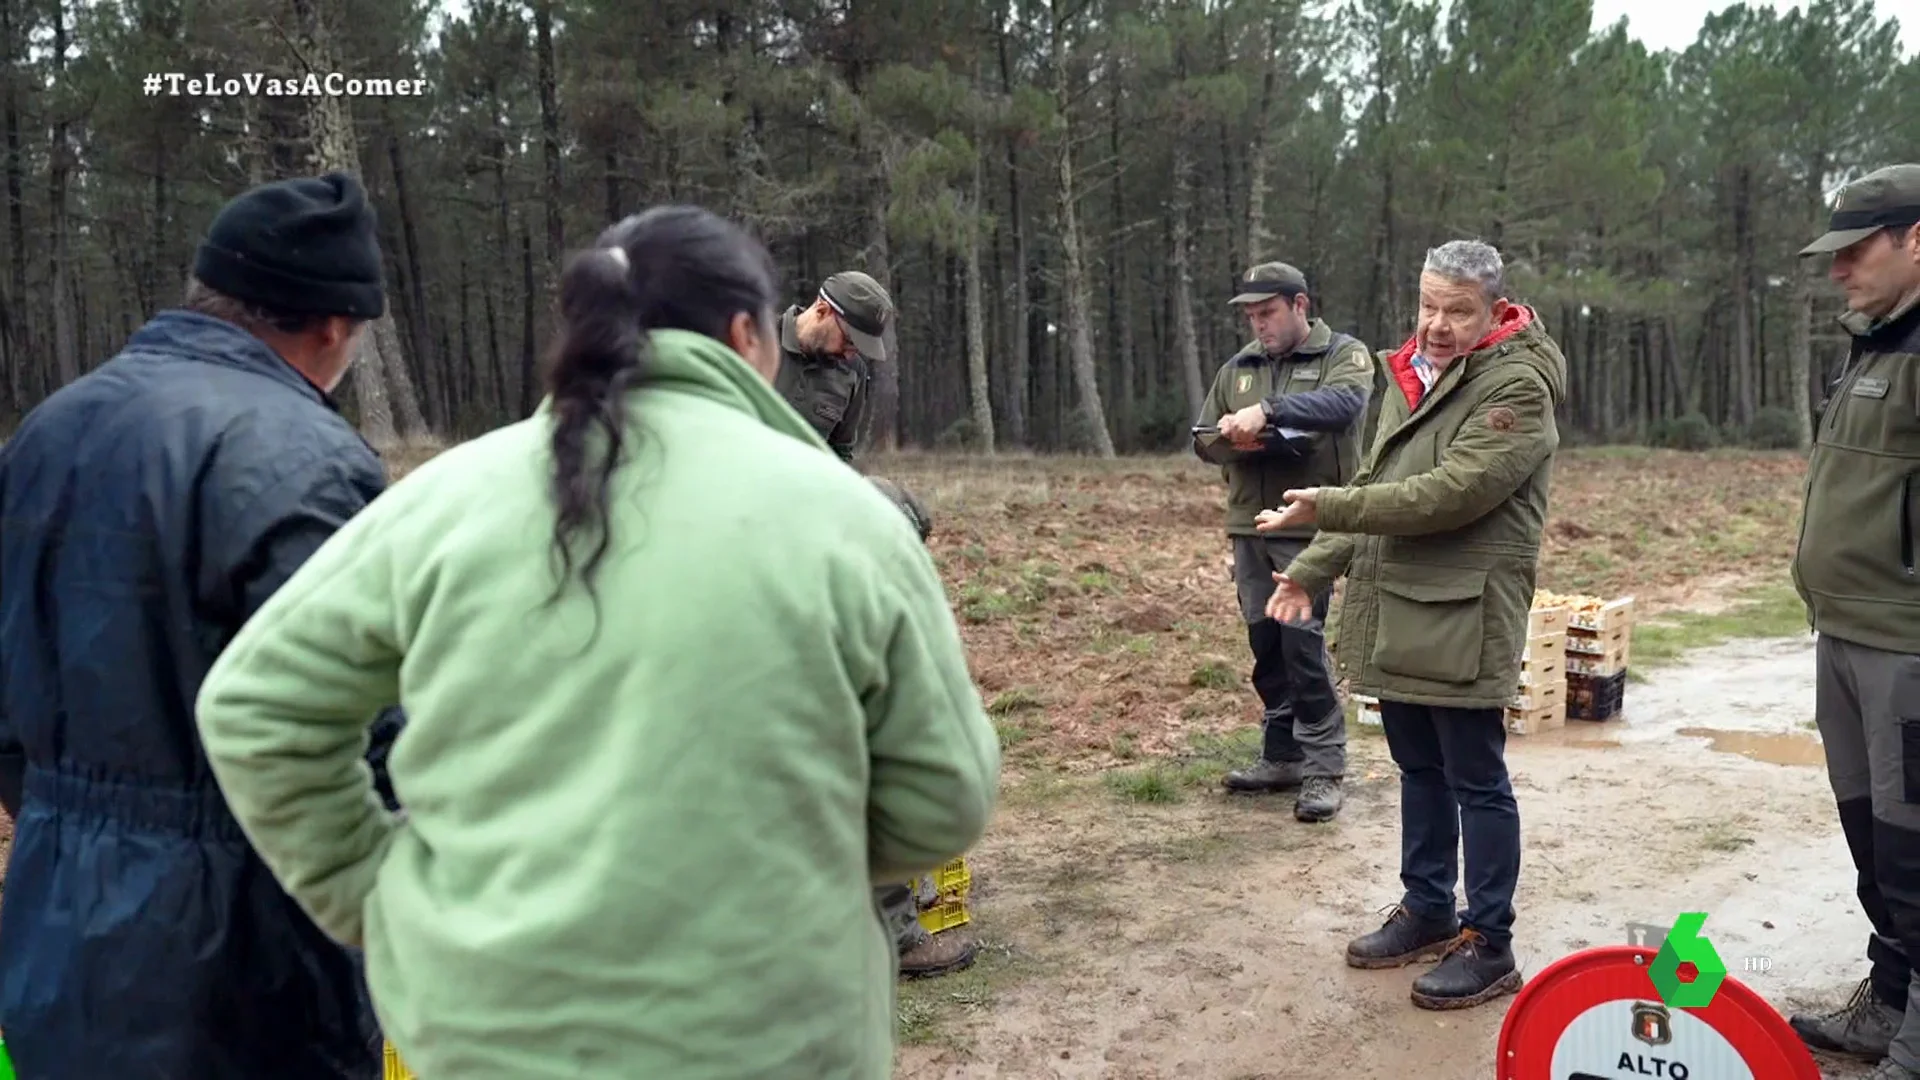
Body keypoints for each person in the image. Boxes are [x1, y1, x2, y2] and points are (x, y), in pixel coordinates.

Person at [193, 204, 1003, 1080]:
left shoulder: (437, 505)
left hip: (487, 1032)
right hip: (772, 1032)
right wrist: (792, 856)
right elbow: (943, 800)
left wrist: (377, 894)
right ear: (747, 332)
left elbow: (253, 708)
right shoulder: (852, 526)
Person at [0, 172, 393, 1077]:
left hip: (56, 928)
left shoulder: (47, 431)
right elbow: (364, 721)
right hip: (252, 962)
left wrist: (73, 820)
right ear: (334, 326)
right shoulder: (314, 461)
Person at [1256, 239, 1566, 1010]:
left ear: (1495, 310)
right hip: (1401, 606)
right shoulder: (1411, 374)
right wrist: (1311, 567)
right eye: (1427, 305)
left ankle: (1489, 941)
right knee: (1418, 767)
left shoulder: (1517, 387)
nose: (1434, 324)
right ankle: (1428, 908)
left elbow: (1446, 494)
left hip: (1465, 614)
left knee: (1476, 777)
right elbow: (1376, 482)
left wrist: (1326, 505)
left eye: (1456, 311)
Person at [772, 269, 977, 978]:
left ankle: (880, 923)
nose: (855, 355)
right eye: (848, 339)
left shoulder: (847, 378)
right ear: (819, 312)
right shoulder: (745, 350)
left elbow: (840, 461)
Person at [1784, 162, 1920, 1080]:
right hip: (1845, 630)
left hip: (1909, 642)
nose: (1838, 269)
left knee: (1917, 841)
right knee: (1873, 836)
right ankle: (1889, 1003)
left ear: (1918, 239)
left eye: (1857, 250)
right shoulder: (1873, 341)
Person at [1192, 261, 1374, 823]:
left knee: (1301, 641)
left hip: (1313, 525)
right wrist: (1234, 440)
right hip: (1250, 523)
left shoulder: (1342, 354)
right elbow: (1203, 437)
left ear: (1300, 305)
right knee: (1265, 644)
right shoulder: (1238, 368)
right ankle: (1282, 754)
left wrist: (1269, 411)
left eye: (1267, 312)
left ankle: (1324, 765)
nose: (1259, 325)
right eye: (1250, 315)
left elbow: (1345, 405)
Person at [774, 270, 890, 462]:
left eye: (859, 348)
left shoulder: (853, 373)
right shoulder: (755, 341)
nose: (849, 353)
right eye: (849, 340)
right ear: (822, 311)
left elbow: (840, 453)